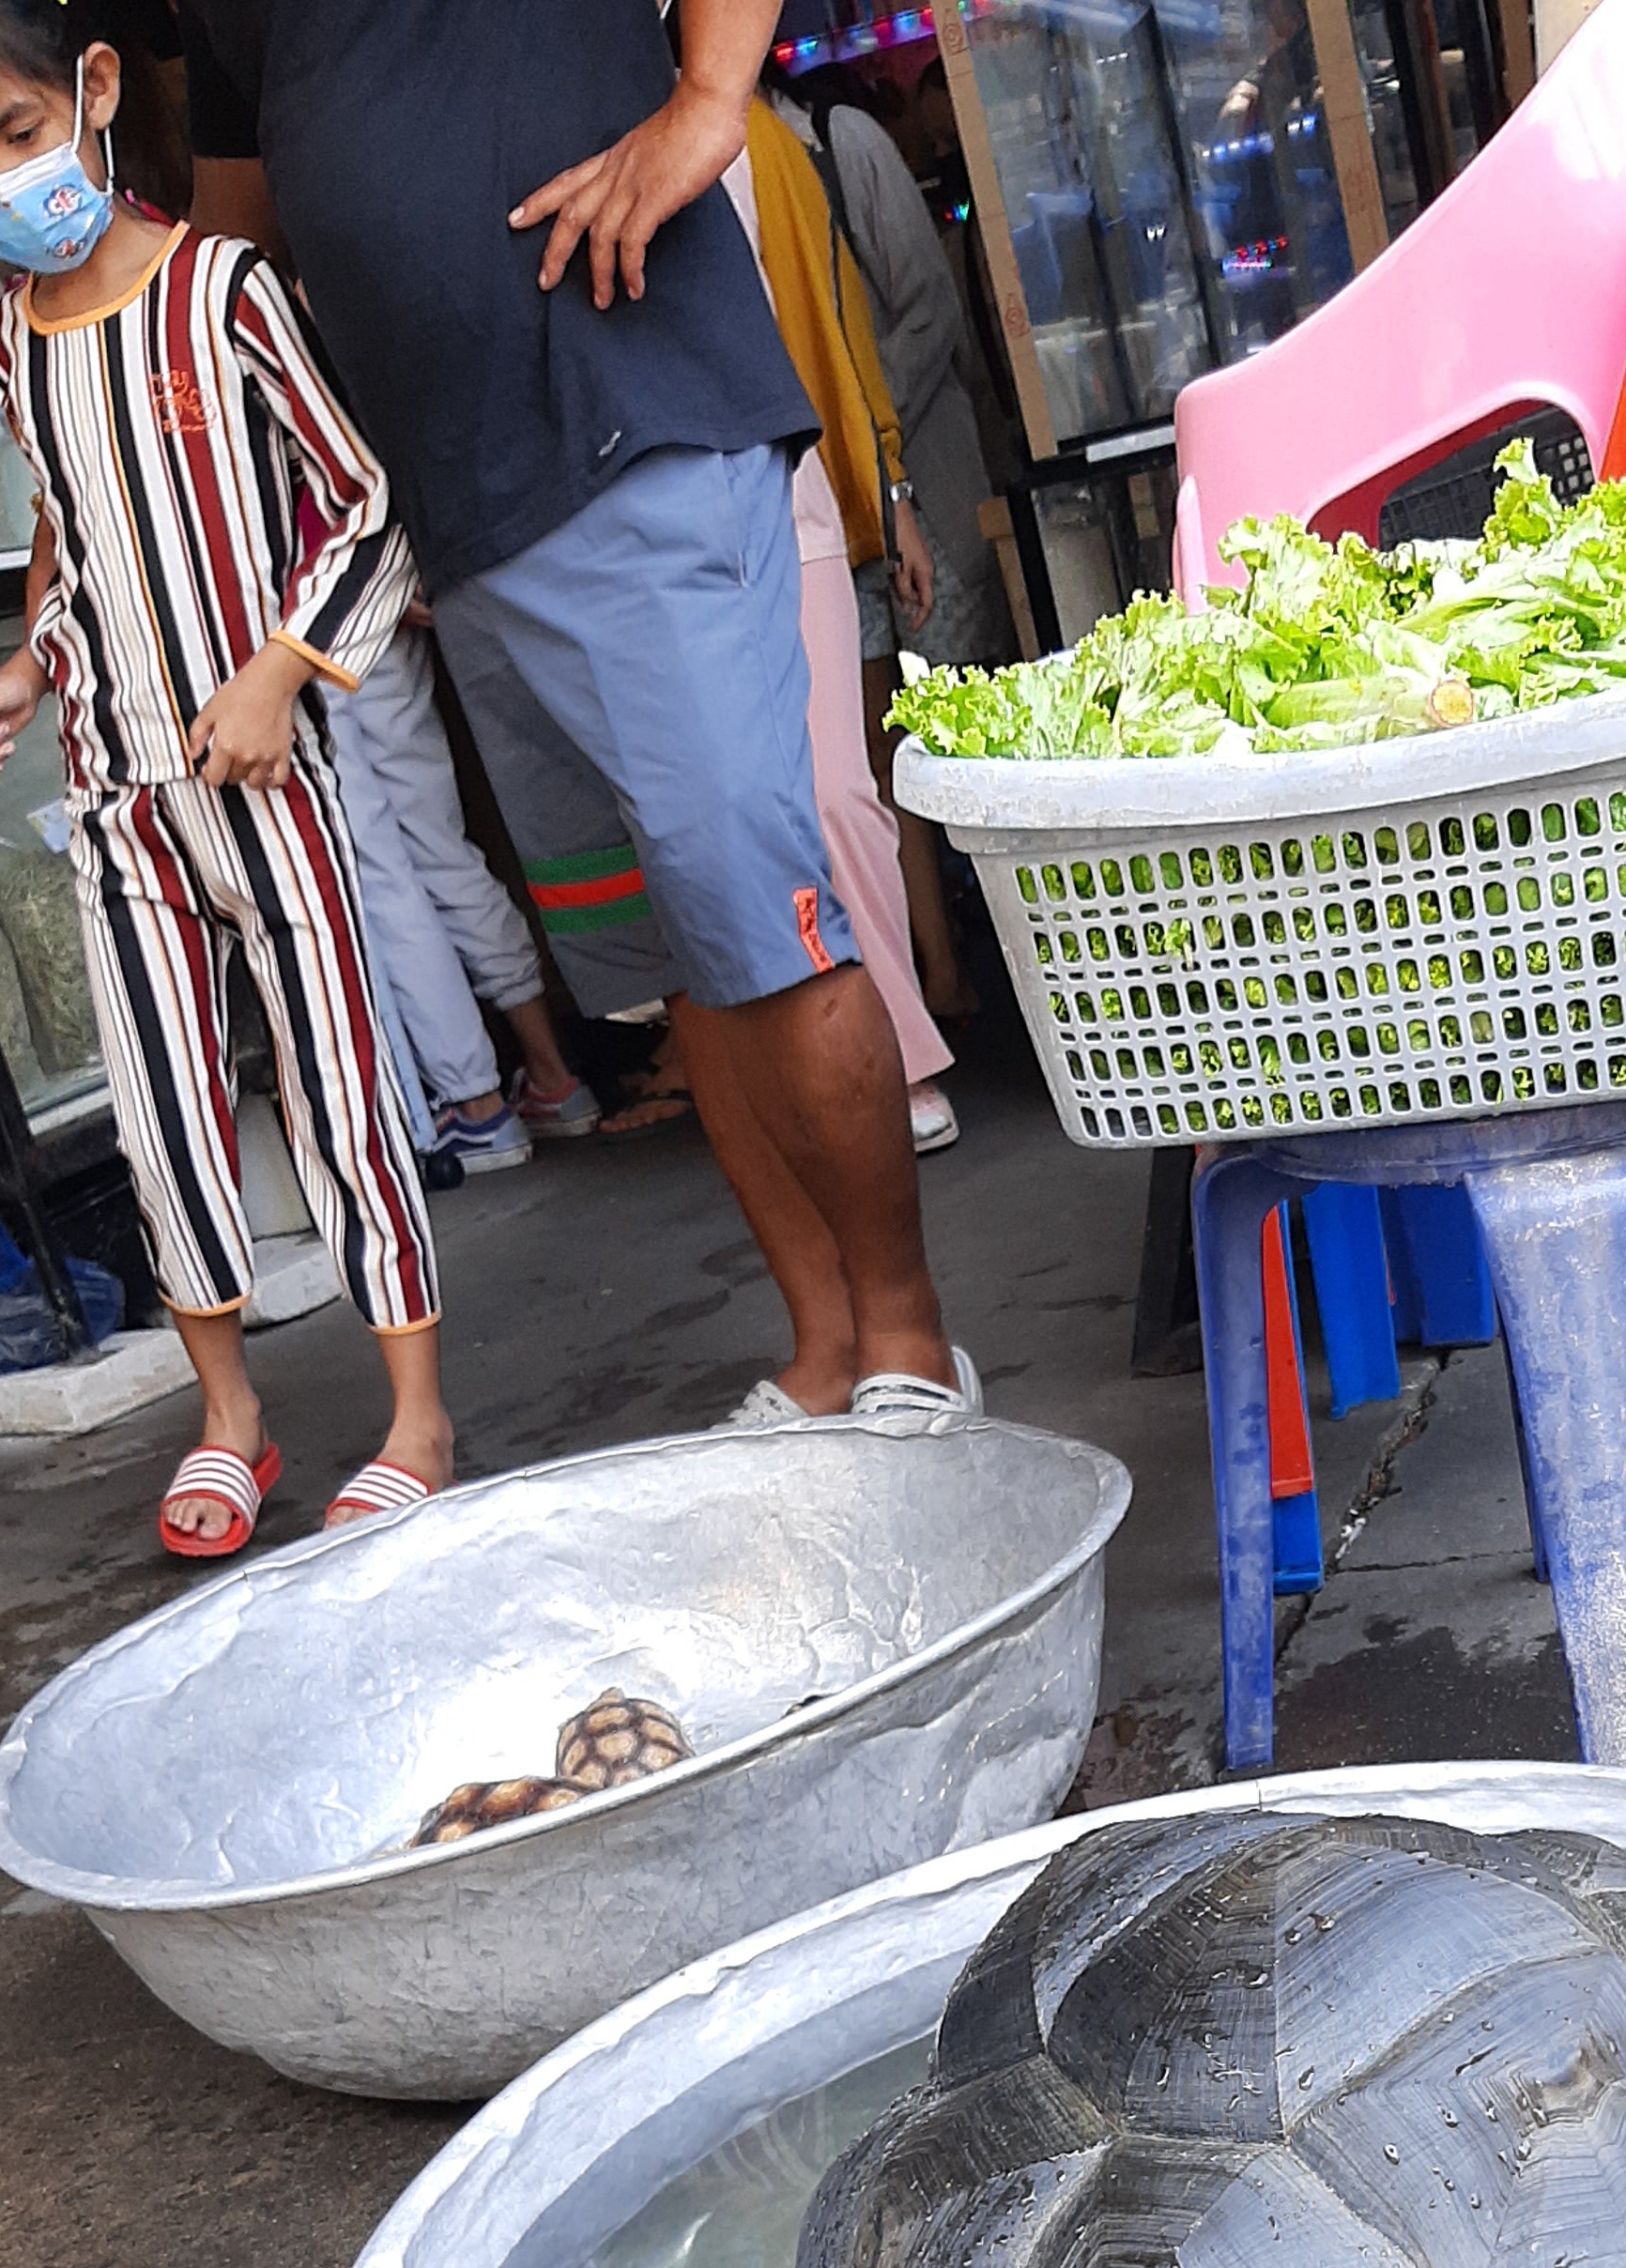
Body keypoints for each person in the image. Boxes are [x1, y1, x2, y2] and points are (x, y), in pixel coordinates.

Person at [177, 0, 975, 1429]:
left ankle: (911, 1342)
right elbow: (239, 245)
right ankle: (822, 1348)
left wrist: (709, 100)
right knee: (677, 957)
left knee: (764, 919)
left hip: (635, 419)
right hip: (462, 524)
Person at [0, 0, 453, 1557]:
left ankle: (417, 1417)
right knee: (159, 1118)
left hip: (269, 791)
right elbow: (72, 549)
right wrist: (19, 669)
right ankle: (234, 1421)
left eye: (14, 135)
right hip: (115, 800)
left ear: (96, 91)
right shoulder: (15, 336)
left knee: (337, 1093)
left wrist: (281, 669)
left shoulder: (228, 291)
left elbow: (371, 505)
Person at [730, 89, 958, 1162]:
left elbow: (847, 331)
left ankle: (908, 1050)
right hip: (667, 500)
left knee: (842, 787)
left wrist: (890, 481)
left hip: (801, 481)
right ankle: (822, 1068)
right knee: (742, 811)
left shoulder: (780, 141)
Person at [783, 76, 1012, 1020]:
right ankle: (944, 974)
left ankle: (1004, 955)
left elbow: (931, 314)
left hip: (922, 480)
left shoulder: (841, 143)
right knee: (887, 751)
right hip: (838, 509)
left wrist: (865, 446)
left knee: (970, 712)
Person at [323, 609, 601, 1169]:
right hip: (372, 603)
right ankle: (552, 1076)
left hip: (286, 624)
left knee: (377, 869)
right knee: (441, 845)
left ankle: (477, 1105)